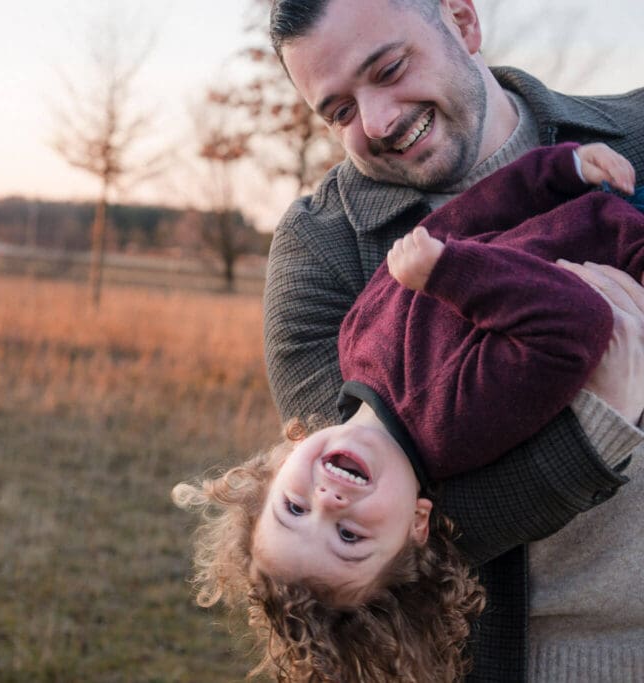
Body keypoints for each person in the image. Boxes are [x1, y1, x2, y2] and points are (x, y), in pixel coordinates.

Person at [254, 0, 644, 679]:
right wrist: (597, 425)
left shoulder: (633, 133)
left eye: (390, 68)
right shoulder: (321, 249)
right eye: (340, 111)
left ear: (463, 22)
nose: (377, 122)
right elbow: (401, 526)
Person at [174, 143, 644, 681]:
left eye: (295, 511)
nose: (328, 501)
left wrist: (559, 168)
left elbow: (463, 220)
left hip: (601, 197)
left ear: (279, 466)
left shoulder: (354, 345)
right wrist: (447, 274)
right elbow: (578, 326)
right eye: (349, 537)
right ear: (417, 525)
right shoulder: (456, 425)